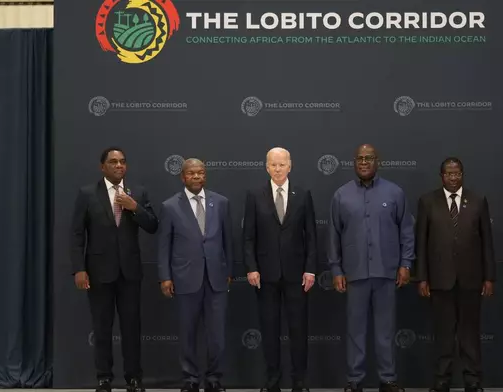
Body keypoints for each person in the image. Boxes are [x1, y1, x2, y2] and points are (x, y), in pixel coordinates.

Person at [71, 147, 159, 392]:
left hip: (130, 273)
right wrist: (79, 268)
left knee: (132, 327)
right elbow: (77, 234)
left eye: (122, 162)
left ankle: (134, 378)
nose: (119, 165)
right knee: (102, 327)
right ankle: (103, 378)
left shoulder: (137, 192)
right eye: (113, 162)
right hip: (98, 272)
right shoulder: (87, 194)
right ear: (103, 167)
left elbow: (153, 225)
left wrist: (134, 207)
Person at [328, 144, 414, 392]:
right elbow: (333, 235)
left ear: (378, 162)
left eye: (368, 158)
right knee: (355, 330)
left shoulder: (394, 193)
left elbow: (406, 232)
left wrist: (405, 264)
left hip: (386, 274)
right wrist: (336, 270)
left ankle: (388, 378)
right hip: (354, 275)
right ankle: (354, 379)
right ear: (354, 162)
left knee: (385, 330)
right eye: (359, 159)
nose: (364, 162)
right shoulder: (341, 195)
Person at [414, 157, 495, 392]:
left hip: (471, 280)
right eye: (448, 174)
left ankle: (473, 380)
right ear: (441, 176)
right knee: (443, 335)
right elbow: (421, 243)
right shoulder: (427, 201)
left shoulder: (478, 201)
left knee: (470, 334)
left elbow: (487, 242)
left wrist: (489, 277)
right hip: (440, 281)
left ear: (462, 174)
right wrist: (422, 277)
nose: (453, 178)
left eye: (457, 173)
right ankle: (441, 380)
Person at [243, 147, 317, 392]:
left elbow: (312, 237)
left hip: (298, 275)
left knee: (298, 331)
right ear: (266, 167)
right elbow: (248, 238)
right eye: (273, 165)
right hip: (265, 275)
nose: (277, 169)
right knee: (270, 330)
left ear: (290, 166)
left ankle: (300, 381)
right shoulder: (255, 195)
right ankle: (272, 381)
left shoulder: (303, 194)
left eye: (281, 164)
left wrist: (310, 269)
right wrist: (251, 267)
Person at [157, 158, 233, 392]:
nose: (197, 177)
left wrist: (228, 271)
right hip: (184, 279)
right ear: (183, 177)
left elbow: (228, 241)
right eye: (192, 173)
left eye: (201, 173)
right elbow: (163, 245)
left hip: (216, 279)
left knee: (217, 335)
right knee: (187, 333)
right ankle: (190, 379)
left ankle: (214, 379)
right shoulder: (170, 206)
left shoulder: (221, 203)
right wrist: (165, 276)